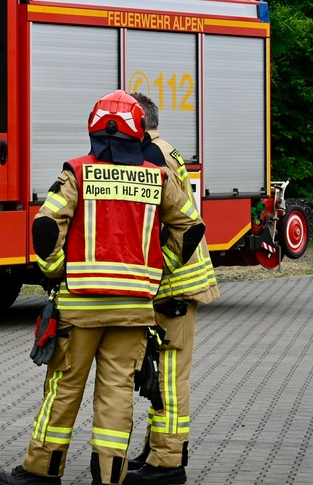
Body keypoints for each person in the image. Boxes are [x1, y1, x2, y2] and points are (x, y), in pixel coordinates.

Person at [0, 90, 205, 485]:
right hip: (133, 310)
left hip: (81, 309)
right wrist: (160, 270)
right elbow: (190, 226)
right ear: (138, 130)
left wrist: (56, 269)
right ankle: (109, 476)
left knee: (64, 387)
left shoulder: (77, 172)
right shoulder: (157, 176)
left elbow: (46, 224)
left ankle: (41, 471)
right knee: (117, 393)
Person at [123, 94, 219, 485]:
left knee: (170, 377)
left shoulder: (152, 156)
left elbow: (168, 228)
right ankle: (157, 448)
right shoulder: (161, 149)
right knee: (158, 371)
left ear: (138, 121)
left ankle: (168, 462)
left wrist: (155, 273)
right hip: (173, 281)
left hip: (175, 284)